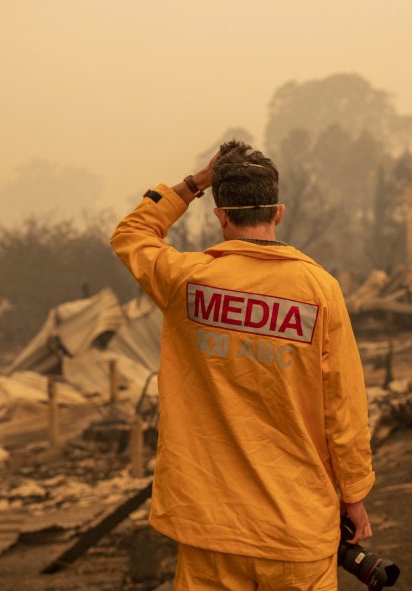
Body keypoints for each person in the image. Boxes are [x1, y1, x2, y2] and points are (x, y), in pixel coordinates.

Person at [111, 140, 374, 590]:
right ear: (279, 213)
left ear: (220, 215)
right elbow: (343, 406)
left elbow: (131, 234)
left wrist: (196, 182)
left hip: (210, 527)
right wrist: (354, 496)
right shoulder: (319, 290)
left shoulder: (186, 281)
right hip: (297, 528)